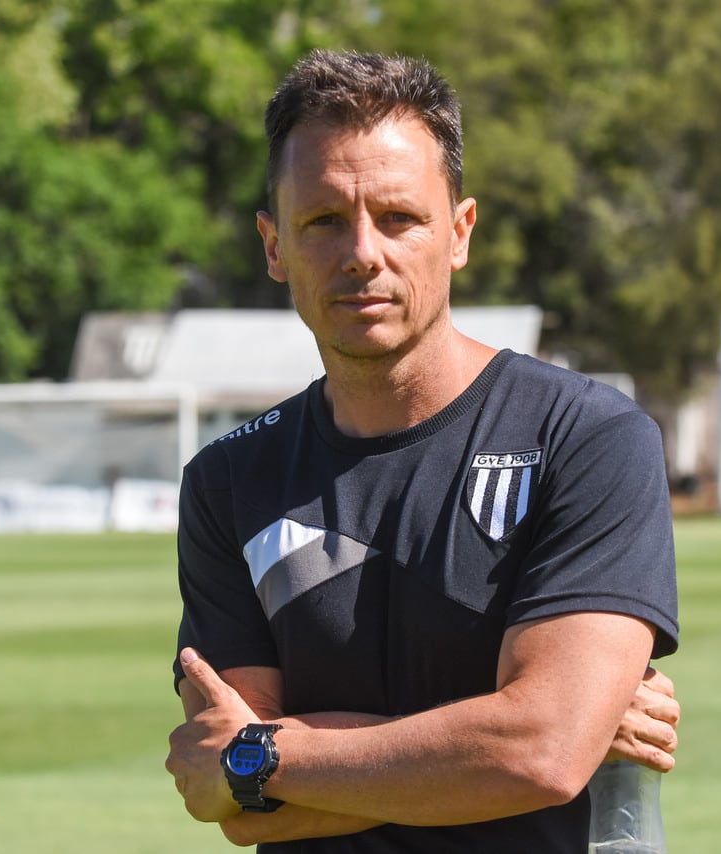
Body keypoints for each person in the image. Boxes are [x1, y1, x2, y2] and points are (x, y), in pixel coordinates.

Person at [165, 49, 680, 853]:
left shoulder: (585, 436)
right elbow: (227, 799)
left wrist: (267, 754)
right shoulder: (229, 480)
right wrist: (496, 736)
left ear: (459, 232)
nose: (363, 253)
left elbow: (540, 754)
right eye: (323, 220)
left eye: (399, 217)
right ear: (274, 246)